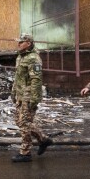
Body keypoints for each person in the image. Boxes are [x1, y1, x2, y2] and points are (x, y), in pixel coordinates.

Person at [11, 33, 54, 162]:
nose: (18, 44)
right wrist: (14, 92)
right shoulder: (20, 57)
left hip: (29, 96)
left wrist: (34, 99)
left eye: (21, 42)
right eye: (18, 42)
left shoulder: (33, 58)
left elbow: (36, 80)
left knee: (25, 123)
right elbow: (18, 78)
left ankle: (25, 153)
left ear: (28, 43)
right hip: (20, 94)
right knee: (20, 122)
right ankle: (43, 140)